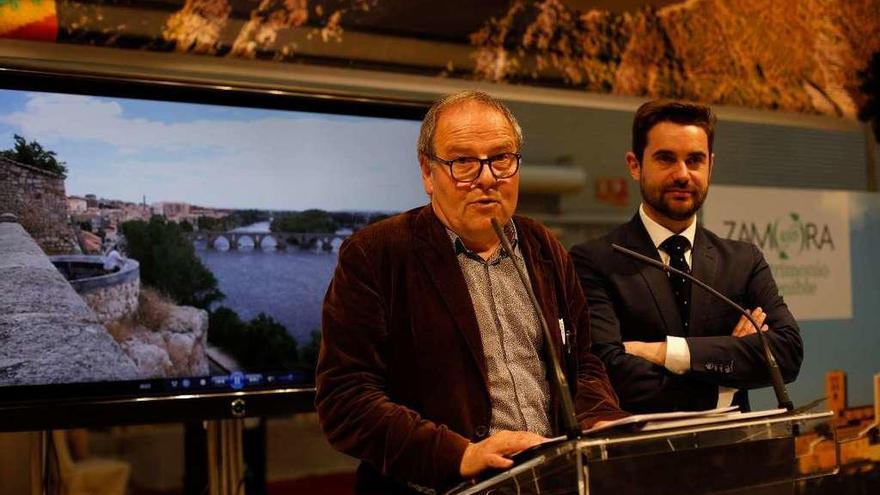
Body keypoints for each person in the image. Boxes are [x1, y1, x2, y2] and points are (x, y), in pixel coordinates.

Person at [316, 91, 627, 494]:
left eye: (501, 159)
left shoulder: (543, 246)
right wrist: (457, 455)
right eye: (463, 161)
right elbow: (345, 399)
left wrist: (599, 418)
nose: (486, 177)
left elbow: (582, 364)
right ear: (428, 173)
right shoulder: (376, 254)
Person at [570, 100, 803, 414]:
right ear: (635, 165)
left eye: (695, 160)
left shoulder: (743, 261)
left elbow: (786, 354)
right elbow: (609, 372)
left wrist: (666, 352)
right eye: (666, 159)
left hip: (735, 456)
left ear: (711, 165)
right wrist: (727, 376)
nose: (682, 174)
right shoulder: (593, 262)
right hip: (645, 457)